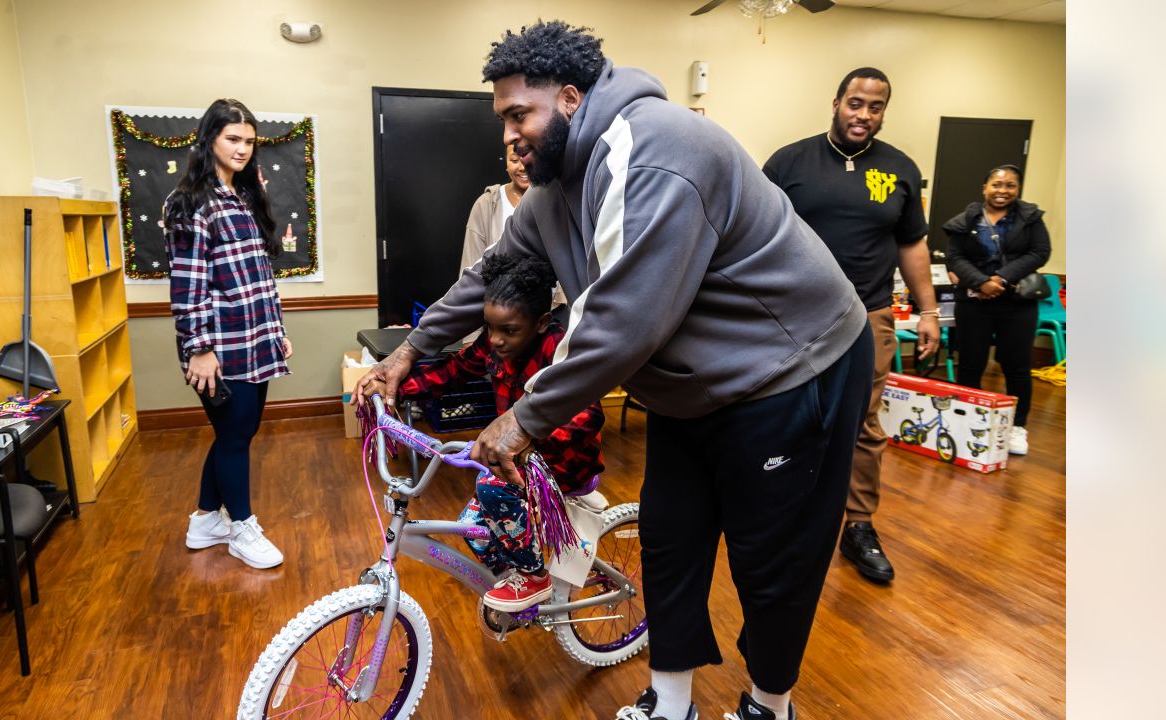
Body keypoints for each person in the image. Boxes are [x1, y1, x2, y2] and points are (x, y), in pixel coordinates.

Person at [355, 21, 873, 720]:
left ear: (570, 99)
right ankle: (670, 703)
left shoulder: (659, 148)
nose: (508, 135)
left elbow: (624, 319)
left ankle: (769, 705)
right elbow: (489, 275)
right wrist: (411, 351)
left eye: (520, 115)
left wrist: (525, 419)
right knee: (669, 540)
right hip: (692, 389)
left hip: (790, 371)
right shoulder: (553, 191)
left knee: (770, 561)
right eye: (501, 119)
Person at [763, 66, 937, 585]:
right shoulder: (789, 161)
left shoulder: (901, 170)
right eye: (855, 103)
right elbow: (755, 231)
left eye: (875, 107)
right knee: (787, 416)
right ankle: (782, 517)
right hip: (794, 316)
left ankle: (859, 525)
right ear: (836, 102)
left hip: (870, 315)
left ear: (884, 111)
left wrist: (928, 311)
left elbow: (912, 245)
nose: (863, 115)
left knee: (863, 422)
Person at [366, 253, 605, 612]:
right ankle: (518, 576)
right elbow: (451, 372)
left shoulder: (558, 351)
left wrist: (529, 438)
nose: (495, 340)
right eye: (489, 328)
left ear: (541, 323)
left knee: (490, 487)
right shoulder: (494, 345)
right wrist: (394, 387)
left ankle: (534, 577)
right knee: (471, 529)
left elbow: (588, 417)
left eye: (508, 330)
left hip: (561, 465)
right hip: (516, 465)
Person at [164, 98, 292, 570]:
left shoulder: (241, 195)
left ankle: (204, 522)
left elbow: (260, 274)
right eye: (232, 139)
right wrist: (199, 349)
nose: (241, 149)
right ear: (210, 140)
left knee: (238, 432)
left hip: (255, 336)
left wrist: (277, 330)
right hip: (218, 345)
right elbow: (188, 283)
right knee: (235, 435)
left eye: (248, 141)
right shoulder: (189, 203)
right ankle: (240, 527)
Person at [942, 164, 1051, 455]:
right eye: (997, 185)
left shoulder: (1030, 218)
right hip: (974, 303)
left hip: (1017, 304)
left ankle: (1017, 428)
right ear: (984, 188)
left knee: (1016, 368)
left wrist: (1001, 279)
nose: (1002, 191)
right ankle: (968, 420)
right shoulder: (965, 220)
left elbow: (1040, 252)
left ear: (1017, 189)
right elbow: (954, 256)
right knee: (970, 365)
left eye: (1010, 186)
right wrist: (981, 283)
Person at [459, 148, 532, 270]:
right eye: (514, 160)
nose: (522, 167)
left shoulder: (555, 200)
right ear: (506, 164)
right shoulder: (486, 205)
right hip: (494, 288)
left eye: (527, 158)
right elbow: (470, 268)